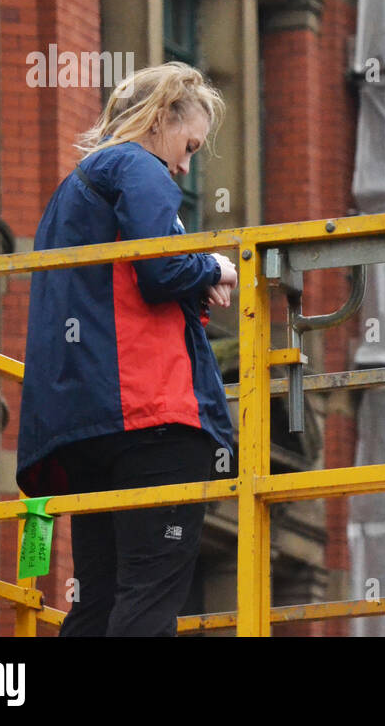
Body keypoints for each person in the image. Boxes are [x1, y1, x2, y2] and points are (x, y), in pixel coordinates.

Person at [17, 61, 238, 637]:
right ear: (161, 118)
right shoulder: (138, 165)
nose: (185, 165)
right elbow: (160, 269)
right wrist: (212, 264)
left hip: (85, 428)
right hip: (152, 416)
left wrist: (192, 274)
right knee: (151, 593)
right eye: (188, 144)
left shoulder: (72, 191)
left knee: (97, 599)